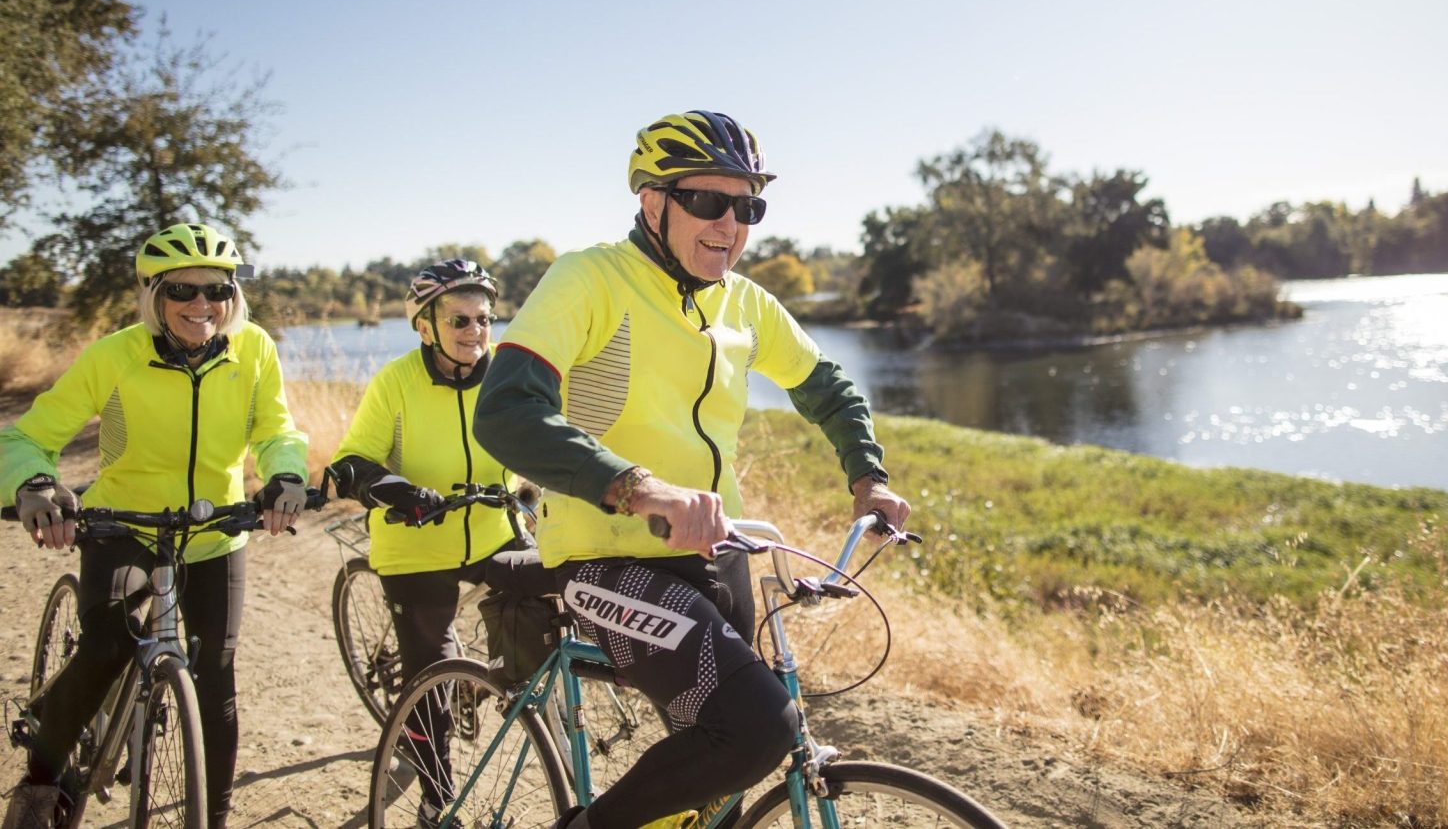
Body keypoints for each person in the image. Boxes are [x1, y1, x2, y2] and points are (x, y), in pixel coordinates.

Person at [473, 110, 912, 829]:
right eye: (709, 201)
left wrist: (870, 477)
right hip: (609, 557)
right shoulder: (590, 280)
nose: (730, 225)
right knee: (760, 728)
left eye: (748, 207)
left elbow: (827, 387)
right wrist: (637, 487)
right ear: (653, 201)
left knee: (720, 780)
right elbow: (505, 412)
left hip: (715, 552)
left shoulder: (745, 302)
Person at [0, 223, 309, 829]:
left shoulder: (254, 350)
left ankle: (210, 819)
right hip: (122, 526)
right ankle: (40, 775)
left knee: (216, 680)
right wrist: (35, 485)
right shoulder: (114, 355)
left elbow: (275, 431)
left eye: (218, 291)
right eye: (184, 291)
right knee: (109, 644)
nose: (203, 306)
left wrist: (286, 477)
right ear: (153, 294)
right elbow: (28, 436)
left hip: (216, 529)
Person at [328, 258, 535, 827]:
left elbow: (542, 441)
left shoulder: (506, 377)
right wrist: (398, 492)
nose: (475, 333)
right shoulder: (395, 382)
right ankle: (435, 797)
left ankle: (488, 688)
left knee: (541, 620)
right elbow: (353, 462)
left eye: (484, 320)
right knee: (431, 675)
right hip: (414, 544)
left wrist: (541, 493)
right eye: (460, 321)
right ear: (425, 326)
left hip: (494, 534)